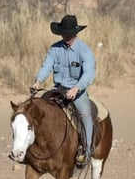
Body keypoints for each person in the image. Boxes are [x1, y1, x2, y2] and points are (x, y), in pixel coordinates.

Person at [32, 14, 96, 168]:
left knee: (85, 114)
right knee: (36, 109)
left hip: (77, 91)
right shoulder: (55, 49)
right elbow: (47, 66)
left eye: (68, 33)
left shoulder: (84, 51)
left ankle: (86, 151)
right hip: (57, 89)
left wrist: (76, 88)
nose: (66, 36)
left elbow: (89, 74)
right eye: (63, 33)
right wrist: (38, 81)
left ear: (75, 33)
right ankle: (35, 146)